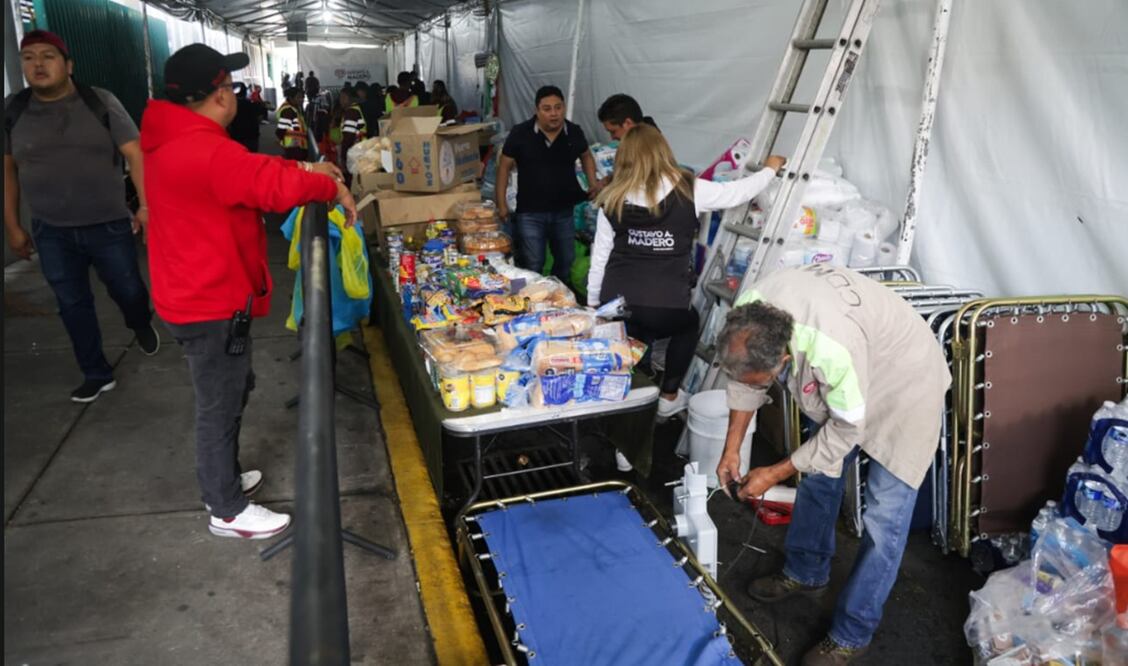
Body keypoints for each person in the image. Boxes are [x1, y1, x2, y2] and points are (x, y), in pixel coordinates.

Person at [141, 43, 358, 540]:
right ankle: (227, 508)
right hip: (207, 299)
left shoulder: (173, 138)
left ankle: (224, 480)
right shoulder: (203, 149)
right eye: (231, 87)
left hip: (193, 290)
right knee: (219, 400)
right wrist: (328, 185)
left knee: (231, 389)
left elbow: (257, 173)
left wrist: (309, 171)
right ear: (219, 96)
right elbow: (268, 186)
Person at [715, 264, 950, 665]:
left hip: (906, 382)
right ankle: (806, 572)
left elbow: (845, 430)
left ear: (784, 359)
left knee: (884, 517)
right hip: (855, 366)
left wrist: (774, 472)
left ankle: (851, 634)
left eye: (765, 378)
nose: (759, 383)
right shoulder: (748, 314)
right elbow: (745, 379)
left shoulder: (830, 349)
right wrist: (732, 448)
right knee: (820, 477)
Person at [587, 125, 783, 469]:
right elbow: (737, 192)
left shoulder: (611, 198)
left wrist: (593, 307)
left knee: (632, 361)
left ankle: (625, 449)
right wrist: (770, 168)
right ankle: (669, 395)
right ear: (662, 151)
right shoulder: (689, 190)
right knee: (687, 326)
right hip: (667, 304)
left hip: (619, 302)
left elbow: (600, 257)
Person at [4, 29, 159, 402]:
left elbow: (135, 154)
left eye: (48, 56)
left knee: (129, 290)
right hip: (51, 231)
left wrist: (145, 206)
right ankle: (95, 372)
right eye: (29, 58)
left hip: (108, 224)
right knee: (72, 304)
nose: (38, 65)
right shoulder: (13, 109)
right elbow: (7, 169)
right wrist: (12, 225)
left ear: (68, 65)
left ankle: (139, 320)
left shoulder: (99, 102)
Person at [496, 85, 598, 285]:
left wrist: (593, 182)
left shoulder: (573, 132)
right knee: (533, 262)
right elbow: (504, 167)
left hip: (564, 212)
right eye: (547, 109)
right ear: (537, 110)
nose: (554, 114)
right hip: (530, 213)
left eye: (558, 107)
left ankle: (558, 298)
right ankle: (531, 302)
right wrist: (501, 203)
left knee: (566, 260)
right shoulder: (520, 133)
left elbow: (586, 156)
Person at [337, 85, 367, 188]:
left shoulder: (351, 112)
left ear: (348, 98)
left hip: (354, 154)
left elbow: (348, 137)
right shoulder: (356, 109)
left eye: (342, 97)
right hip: (359, 152)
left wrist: (343, 157)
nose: (340, 101)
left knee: (351, 184)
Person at [227, 82, 266, 152]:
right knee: (252, 156)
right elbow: (260, 117)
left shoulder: (229, 107)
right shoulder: (251, 104)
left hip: (236, 136)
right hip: (251, 136)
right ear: (245, 92)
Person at [275, 87, 308, 161]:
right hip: (294, 147)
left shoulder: (294, 108)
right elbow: (281, 130)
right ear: (291, 98)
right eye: (298, 97)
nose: (302, 100)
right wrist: (280, 140)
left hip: (296, 146)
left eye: (303, 97)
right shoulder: (288, 111)